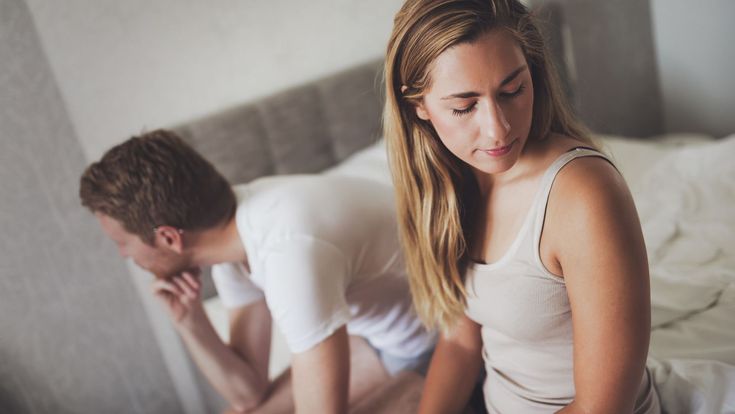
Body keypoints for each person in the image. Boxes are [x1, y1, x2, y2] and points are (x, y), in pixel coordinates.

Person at [383, 0, 661, 413]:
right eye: (464, 106)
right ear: (418, 106)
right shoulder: (451, 187)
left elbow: (601, 408)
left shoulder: (584, 193)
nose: (498, 129)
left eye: (512, 90)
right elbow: (460, 342)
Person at [79, 129, 435, 413]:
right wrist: (190, 321)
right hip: (378, 334)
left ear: (170, 237)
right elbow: (249, 392)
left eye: (122, 243)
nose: (125, 256)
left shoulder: (288, 248)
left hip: (431, 339)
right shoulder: (237, 234)